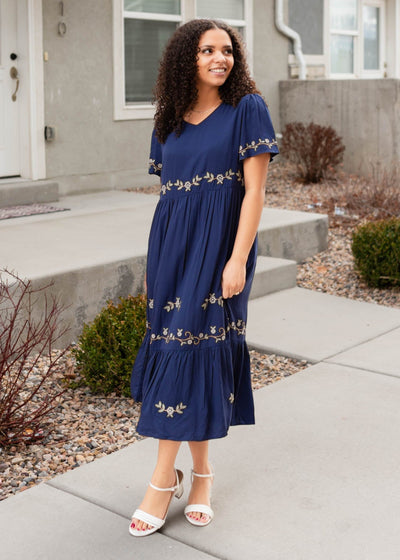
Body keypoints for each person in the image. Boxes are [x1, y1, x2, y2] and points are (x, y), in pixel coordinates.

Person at [129, 18, 279, 537]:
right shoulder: (167, 116)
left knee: (188, 349)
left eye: (228, 49)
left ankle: (159, 479)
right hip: (172, 251)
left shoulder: (247, 110)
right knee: (180, 350)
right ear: (184, 59)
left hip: (220, 252)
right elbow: (169, 199)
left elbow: (255, 194)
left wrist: (236, 260)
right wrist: (154, 267)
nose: (221, 58)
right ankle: (202, 477)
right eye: (207, 50)